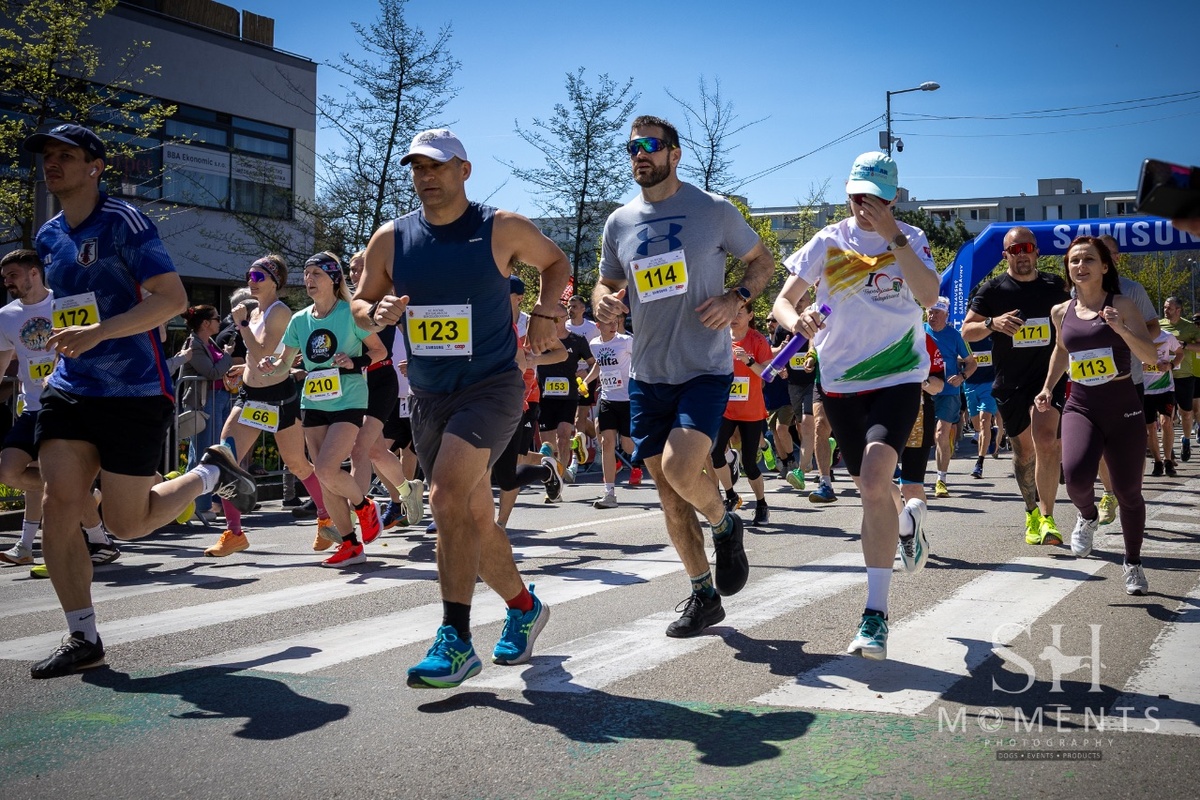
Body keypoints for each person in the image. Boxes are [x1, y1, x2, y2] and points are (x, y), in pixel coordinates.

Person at [24, 123, 255, 679]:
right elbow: (74, 305)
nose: (53, 164)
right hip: (71, 388)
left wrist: (100, 332)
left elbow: (173, 300)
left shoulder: (125, 222)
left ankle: (208, 472)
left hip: (134, 391)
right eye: (48, 156)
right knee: (61, 502)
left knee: (127, 524)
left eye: (67, 156)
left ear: (95, 167)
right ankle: (83, 636)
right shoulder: (50, 235)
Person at [351, 128, 570, 688]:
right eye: (417, 168)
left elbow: (556, 263)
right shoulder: (391, 238)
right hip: (429, 394)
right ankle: (524, 607)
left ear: (464, 171)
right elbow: (361, 301)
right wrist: (373, 316)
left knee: (444, 493)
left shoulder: (501, 228)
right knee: (470, 515)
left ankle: (455, 640)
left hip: (493, 386)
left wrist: (546, 315)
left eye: (438, 167)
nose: (426, 177)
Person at [594, 115, 776, 639]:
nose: (639, 155)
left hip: (703, 367)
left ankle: (724, 521)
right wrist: (604, 301)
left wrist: (736, 297)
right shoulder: (619, 222)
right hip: (647, 374)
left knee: (679, 469)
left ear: (675, 153)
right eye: (632, 148)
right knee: (670, 495)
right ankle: (703, 595)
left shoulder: (713, 210)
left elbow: (761, 260)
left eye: (650, 146)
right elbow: (605, 285)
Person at [772, 151, 939, 660]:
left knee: (870, 482)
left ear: (891, 198)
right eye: (855, 194)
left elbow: (929, 295)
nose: (862, 203)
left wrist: (894, 238)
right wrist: (794, 320)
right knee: (874, 489)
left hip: (898, 376)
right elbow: (783, 301)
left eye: (873, 196)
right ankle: (907, 524)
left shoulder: (911, 239)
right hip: (840, 381)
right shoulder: (828, 241)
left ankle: (876, 615)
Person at [1034, 237, 1157, 594]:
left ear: (1105, 267)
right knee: (1073, 478)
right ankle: (1088, 516)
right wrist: (1046, 387)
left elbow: (1149, 356)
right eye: (1074, 261)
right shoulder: (1061, 311)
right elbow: (1060, 349)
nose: (1080, 266)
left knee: (1129, 491)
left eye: (1088, 259)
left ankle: (1133, 563)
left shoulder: (1122, 304)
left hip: (1123, 404)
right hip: (1081, 404)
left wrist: (1120, 328)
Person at [201, 254, 337, 557]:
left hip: (278, 398)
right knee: (226, 457)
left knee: (298, 464)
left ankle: (327, 518)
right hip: (250, 396)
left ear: (275, 281)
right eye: (249, 275)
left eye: (259, 276)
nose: (252, 281)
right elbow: (257, 358)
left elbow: (262, 349)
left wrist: (242, 325)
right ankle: (234, 533)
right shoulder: (258, 312)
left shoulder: (279, 312)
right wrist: (242, 369)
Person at [260, 253, 386, 567]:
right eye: (306, 274)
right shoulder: (300, 320)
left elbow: (379, 350)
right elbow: (285, 363)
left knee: (328, 469)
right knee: (324, 475)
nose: (309, 280)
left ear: (334, 278)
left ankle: (365, 505)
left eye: (316, 273)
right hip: (313, 401)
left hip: (348, 399)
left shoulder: (350, 315)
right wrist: (269, 365)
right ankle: (351, 545)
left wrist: (353, 362)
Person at [0, 250, 117, 568]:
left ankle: (98, 539)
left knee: (58, 476)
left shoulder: (66, 303)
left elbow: (97, 348)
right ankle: (79, 494)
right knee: (9, 470)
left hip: (70, 405)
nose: (7, 281)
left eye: (12, 275)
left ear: (33, 273)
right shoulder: (6, 316)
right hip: (33, 407)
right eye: (5, 277)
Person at [961, 226, 1069, 546]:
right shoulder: (993, 290)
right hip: (1010, 383)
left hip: (1047, 380)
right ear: (1005, 255)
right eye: (1015, 250)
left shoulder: (1055, 286)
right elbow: (966, 330)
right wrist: (992, 323)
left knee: (1048, 442)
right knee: (1025, 452)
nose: (1022, 255)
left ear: (1037, 251)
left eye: (1027, 248)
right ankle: (1031, 510)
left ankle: (1048, 519)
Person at [1093, 234, 1158, 520]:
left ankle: (1132, 494)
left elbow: (1153, 328)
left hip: (1129, 378)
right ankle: (1108, 493)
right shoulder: (1077, 293)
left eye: (1111, 254)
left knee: (1131, 444)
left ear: (1116, 260)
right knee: (1098, 444)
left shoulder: (1132, 291)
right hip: (1092, 381)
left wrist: (1129, 336)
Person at [712, 301, 774, 525]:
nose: (735, 317)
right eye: (732, 313)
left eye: (740, 313)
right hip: (726, 408)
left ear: (750, 316)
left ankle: (762, 504)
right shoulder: (720, 337)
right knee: (715, 453)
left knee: (749, 463)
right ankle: (731, 495)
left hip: (751, 410)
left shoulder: (757, 340)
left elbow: (769, 375)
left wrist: (748, 361)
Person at [177, 304, 235, 524]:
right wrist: (227, 357)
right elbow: (211, 372)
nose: (219, 321)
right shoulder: (194, 344)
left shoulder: (206, 342)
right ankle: (196, 506)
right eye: (216, 318)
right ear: (205, 323)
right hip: (203, 403)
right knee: (204, 454)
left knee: (207, 452)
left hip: (215, 400)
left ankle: (198, 505)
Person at [924, 296, 976, 498]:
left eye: (937, 312)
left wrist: (962, 376)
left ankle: (941, 479)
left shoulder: (956, 336)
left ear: (946, 315)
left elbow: (972, 363)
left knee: (940, 434)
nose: (932, 316)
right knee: (922, 436)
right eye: (930, 311)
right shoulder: (920, 331)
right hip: (924, 389)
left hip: (948, 392)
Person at [535, 309, 594, 486]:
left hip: (568, 396)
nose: (553, 322)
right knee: (548, 443)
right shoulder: (541, 339)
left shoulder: (577, 340)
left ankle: (559, 477)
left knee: (563, 433)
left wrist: (586, 373)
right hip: (545, 396)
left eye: (556, 318)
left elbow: (594, 363)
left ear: (564, 319)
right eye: (549, 318)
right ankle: (567, 455)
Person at [584, 314, 634, 509]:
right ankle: (609, 493)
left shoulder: (627, 341)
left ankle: (651, 463)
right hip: (607, 399)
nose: (614, 326)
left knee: (629, 446)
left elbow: (641, 359)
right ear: (598, 325)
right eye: (609, 323)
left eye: (616, 322)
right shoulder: (595, 344)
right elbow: (598, 364)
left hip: (628, 399)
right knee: (606, 443)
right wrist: (587, 381)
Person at [1159, 297, 1200, 465]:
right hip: (1163, 375)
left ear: (1178, 310)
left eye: (1169, 308)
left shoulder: (1189, 327)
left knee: (1186, 413)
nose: (1166, 311)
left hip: (1184, 375)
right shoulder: (1159, 325)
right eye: (1164, 307)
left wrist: (1184, 346)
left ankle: (1186, 440)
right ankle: (1169, 449)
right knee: (1166, 416)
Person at [1143, 327, 1183, 475]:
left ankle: (1168, 461)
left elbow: (1180, 353)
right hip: (1145, 389)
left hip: (1165, 387)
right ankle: (1158, 462)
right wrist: (1138, 366)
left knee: (1167, 422)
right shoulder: (1135, 334)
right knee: (1150, 428)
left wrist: (1170, 365)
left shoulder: (1166, 336)